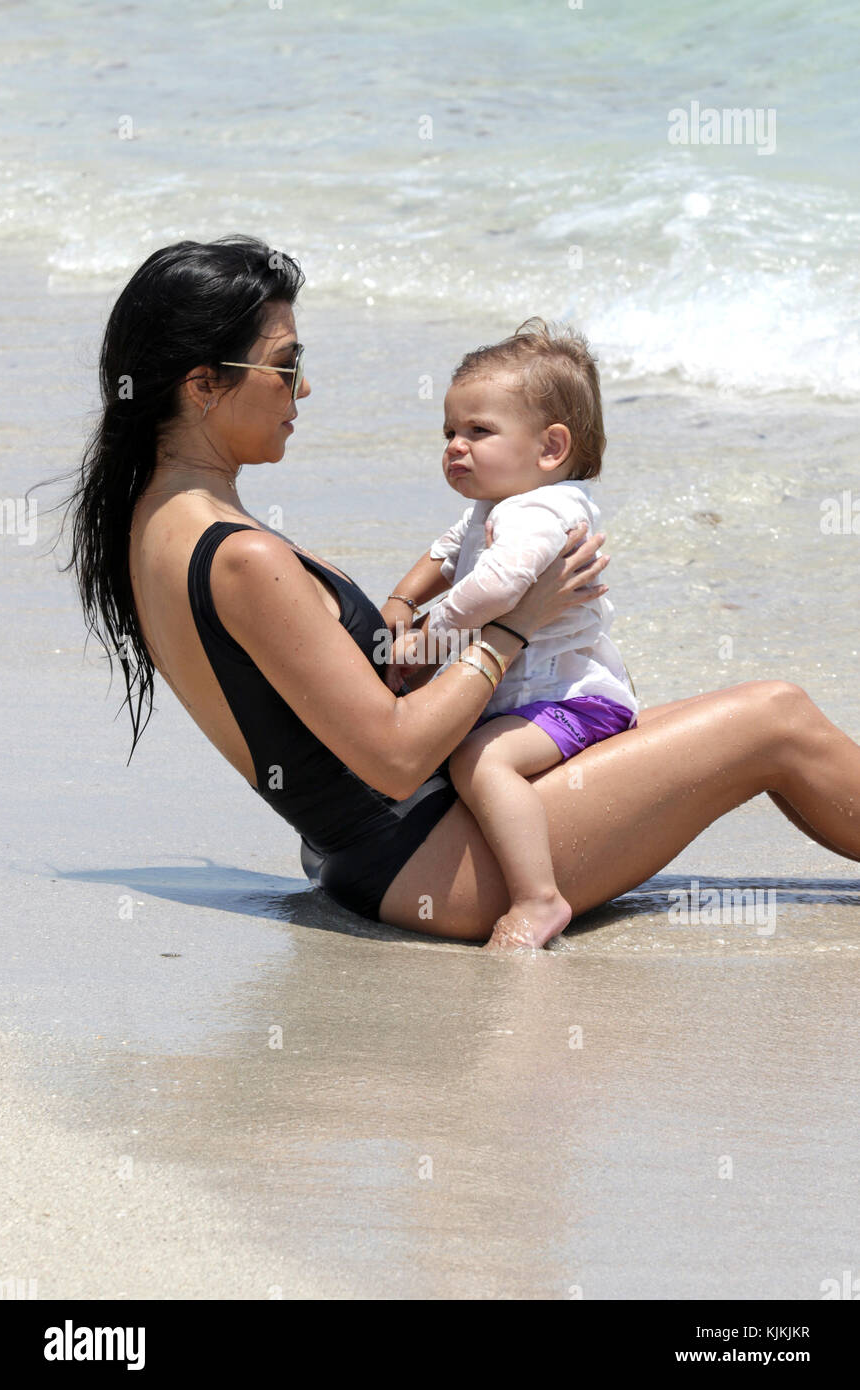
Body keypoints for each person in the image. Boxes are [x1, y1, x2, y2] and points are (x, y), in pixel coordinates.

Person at [65, 235, 860, 954]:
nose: (302, 391)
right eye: (286, 366)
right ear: (203, 386)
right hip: (437, 862)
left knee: (745, 712)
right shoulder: (239, 556)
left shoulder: (155, 528)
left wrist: (415, 625)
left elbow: (335, 697)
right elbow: (397, 754)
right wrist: (513, 629)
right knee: (775, 720)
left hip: (389, 851)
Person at [381, 319, 637, 950]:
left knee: (479, 759)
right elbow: (447, 554)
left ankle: (538, 900)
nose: (454, 447)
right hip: (527, 698)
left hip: (576, 700)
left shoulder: (546, 510)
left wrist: (429, 635)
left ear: (551, 448)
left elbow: (497, 587)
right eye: (449, 432)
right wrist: (401, 598)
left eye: (478, 431)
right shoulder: (494, 507)